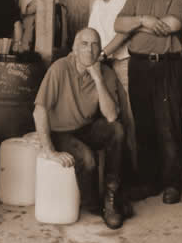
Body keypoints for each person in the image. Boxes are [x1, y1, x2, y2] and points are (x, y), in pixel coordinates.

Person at [114, 0, 182, 204]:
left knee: (168, 125)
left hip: (167, 65)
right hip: (139, 66)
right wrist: (145, 20)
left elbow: (173, 24)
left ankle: (172, 182)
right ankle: (149, 181)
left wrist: (136, 24)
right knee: (144, 124)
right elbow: (118, 24)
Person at [33, 28, 126, 229]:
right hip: (60, 131)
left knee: (117, 130)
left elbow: (111, 116)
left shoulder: (105, 73)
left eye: (95, 45)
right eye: (84, 44)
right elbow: (39, 111)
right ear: (75, 49)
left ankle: (111, 199)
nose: (89, 50)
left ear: (100, 50)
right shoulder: (60, 68)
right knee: (87, 159)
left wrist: (98, 79)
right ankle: (94, 205)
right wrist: (50, 151)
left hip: (85, 127)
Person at [87, 0, 137, 173]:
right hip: (105, 63)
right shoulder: (97, 5)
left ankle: (136, 170)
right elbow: (91, 34)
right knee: (110, 116)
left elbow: (125, 33)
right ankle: (119, 170)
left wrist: (103, 53)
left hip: (124, 61)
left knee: (130, 117)